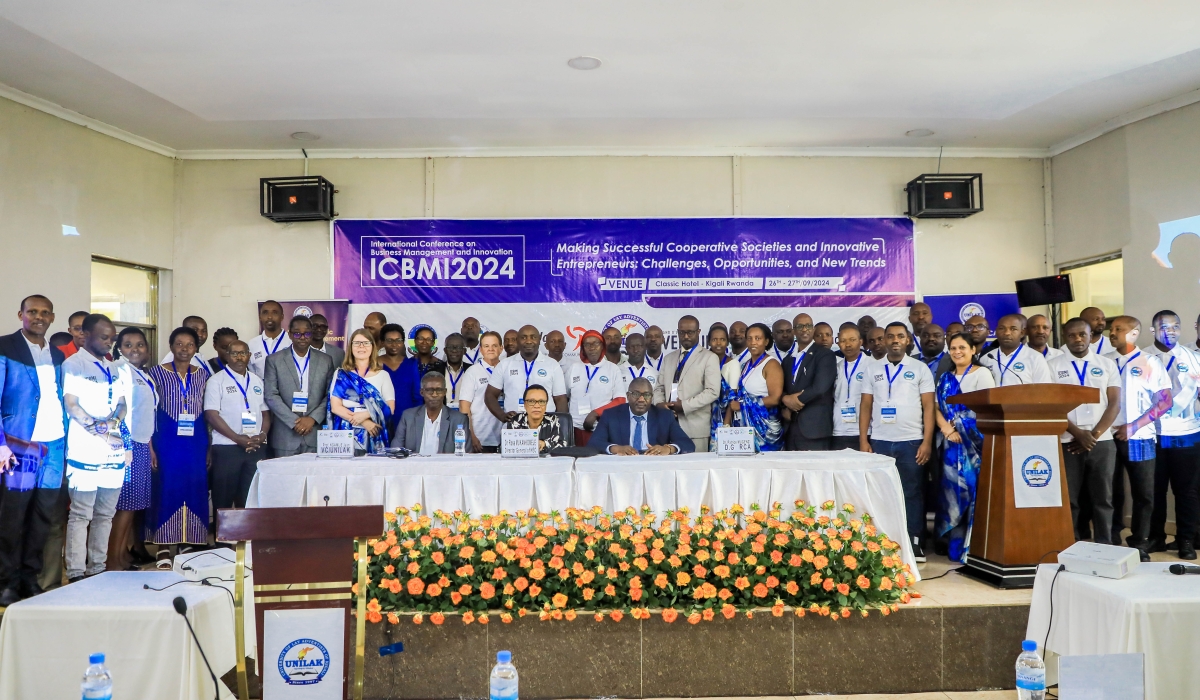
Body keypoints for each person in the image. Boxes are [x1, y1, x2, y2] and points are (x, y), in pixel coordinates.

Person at [0, 296, 67, 604]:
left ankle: (30, 579)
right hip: (19, 447)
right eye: (32, 312)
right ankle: (6, 583)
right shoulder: (5, 347)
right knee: (13, 517)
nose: (38, 317)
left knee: (43, 517)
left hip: (53, 447)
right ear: (21, 315)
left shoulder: (55, 353)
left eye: (44, 313)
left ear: (52, 317)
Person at [61, 314, 132, 583]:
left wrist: (114, 422)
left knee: (105, 513)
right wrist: (102, 433)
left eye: (112, 338)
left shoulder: (114, 368)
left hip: (112, 450)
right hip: (85, 451)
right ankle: (77, 571)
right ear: (86, 335)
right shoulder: (74, 364)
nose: (109, 343)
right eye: (104, 337)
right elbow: (72, 405)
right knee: (81, 514)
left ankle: (98, 567)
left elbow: (123, 403)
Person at [859, 322, 936, 561]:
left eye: (900, 336)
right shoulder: (873, 369)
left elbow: (928, 407)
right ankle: (882, 541)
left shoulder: (920, 368)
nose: (894, 340)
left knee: (912, 493)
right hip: (880, 442)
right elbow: (866, 405)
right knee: (881, 493)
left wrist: (927, 442)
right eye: (889, 336)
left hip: (911, 441)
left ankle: (914, 543)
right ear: (883, 340)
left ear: (908, 341)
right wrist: (864, 440)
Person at [1049, 318, 1121, 545]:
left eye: (1082, 334)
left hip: (1103, 441)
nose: (1077, 339)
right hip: (1068, 439)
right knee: (1069, 498)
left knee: (1103, 498)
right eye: (1072, 335)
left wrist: (1093, 435)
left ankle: (1105, 544)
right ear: (1065, 336)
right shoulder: (1052, 366)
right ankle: (1069, 543)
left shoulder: (1107, 364)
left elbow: (1115, 404)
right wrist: (1078, 433)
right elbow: (1052, 406)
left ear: (1091, 336)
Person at [1104, 316, 1171, 558]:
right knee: (1109, 491)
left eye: (1118, 329)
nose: (1112, 333)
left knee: (1143, 493)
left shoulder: (1149, 362)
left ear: (1133, 334)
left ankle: (1139, 542)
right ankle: (1110, 538)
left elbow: (1165, 401)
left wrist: (1133, 426)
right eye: (1111, 329)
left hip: (1139, 436)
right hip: (1107, 437)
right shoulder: (1105, 361)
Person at [146, 327, 212, 566]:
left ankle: (187, 541)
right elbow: (149, 412)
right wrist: (151, 447)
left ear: (196, 348)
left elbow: (209, 413)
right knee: (166, 488)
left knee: (194, 489)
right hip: (166, 439)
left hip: (195, 441)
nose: (185, 349)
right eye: (179, 344)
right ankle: (163, 547)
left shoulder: (203, 375)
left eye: (190, 345)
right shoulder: (156, 374)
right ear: (171, 346)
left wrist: (209, 447)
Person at [933, 332, 996, 562]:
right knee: (951, 494)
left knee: (972, 494)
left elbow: (987, 409)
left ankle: (972, 548)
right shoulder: (945, 378)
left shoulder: (983, 375)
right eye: (953, 348)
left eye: (962, 347)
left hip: (974, 446)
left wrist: (962, 428)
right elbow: (936, 408)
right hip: (950, 446)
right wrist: (949, 430)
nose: (957, 352)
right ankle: (954, 545)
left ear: (973, 350)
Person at [1144, 310, 1200, 559]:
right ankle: (1155, 537)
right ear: (1153, 329)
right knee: (1153, 489)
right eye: (1164, 326)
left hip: (1186, 433)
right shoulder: (1142, 357)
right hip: (1151, 434)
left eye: (1175, 326)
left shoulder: (1193, 357)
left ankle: (1185, 540)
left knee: (1186, 490)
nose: (1170, 331)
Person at [108, 327, 155, 572]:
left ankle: (122, 555)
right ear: (119, 348)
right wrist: (125, 445)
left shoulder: (140, 373)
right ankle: (112, 560)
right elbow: (117, 410)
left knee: (133, 505)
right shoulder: (119, 370)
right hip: (127, 445)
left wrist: (148, 447)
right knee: (124, 506)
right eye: (128, 345)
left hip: (140, 443)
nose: (135, 349)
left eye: (139, 345)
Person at [204, 339, 270, 514]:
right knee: (223, 496)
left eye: (243, 353)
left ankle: (245, 538)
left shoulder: (256, 381)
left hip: (255, 447)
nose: (239, 357)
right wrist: (237, 438)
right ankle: (223, 540)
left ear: (249, 356)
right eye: (234, 353)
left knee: (250, 496)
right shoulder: (216, 381)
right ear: (227, 356)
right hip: (227, 448)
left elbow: (265, 413)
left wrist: (262, 436)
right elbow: (211, 414)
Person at [264, 317, 334, 457]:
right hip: (285, 436)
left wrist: (312, 419)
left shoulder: (325, 360)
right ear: (290, 334)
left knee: (314, 478)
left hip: (314, 433)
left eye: (307, 333)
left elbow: (331, 395)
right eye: (297, 333)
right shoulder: (274, 360)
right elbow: (271, 395)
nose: (302, 337)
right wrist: (294, 422)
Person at [653, 316, 722, 452]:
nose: (685, 336)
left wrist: (684, 405)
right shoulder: (669, 358)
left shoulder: (709, 357)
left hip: (695, 428)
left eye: (690, 332)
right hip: (668, 425)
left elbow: (713, 391)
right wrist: (660, 404)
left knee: (696, 470)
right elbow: (659, 388)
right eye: (681, 332)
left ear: (698, 332)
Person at [330, 329, 395, 454]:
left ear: (372, 347)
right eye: (357, 343)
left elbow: (390, 408)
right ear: (350, 347)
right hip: (346, 435)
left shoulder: (383, 375)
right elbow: (335, 407)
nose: (361, 346)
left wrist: (365, 415)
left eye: (366, 343)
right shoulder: (340, 374)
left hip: (375, 433)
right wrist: (364, 422)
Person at [485, 325, 569, 422]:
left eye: (533, 337)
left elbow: (560, 400)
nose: (528, 341)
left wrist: (560, 427)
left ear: (539, 340)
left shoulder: (553, 365)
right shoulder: (505, 364)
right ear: (517, 340)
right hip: (514, 425)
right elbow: (490, 395)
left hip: (546, 424)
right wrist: (502, 416)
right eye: (523, 337)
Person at [592, 378, 694, 455]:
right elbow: (594, 443)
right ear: (628, 396)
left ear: (651, 398)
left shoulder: (665, 416)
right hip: (622, 467)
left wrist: (668, 449)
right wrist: (617, 449)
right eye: (636, 394)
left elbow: (687, 444)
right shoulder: (611, 415)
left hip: (654, 467)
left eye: (647, 395)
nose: (641, 399)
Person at [781, 313, 836, 451]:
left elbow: (820, 387)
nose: (804, 329)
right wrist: (784, 400)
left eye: (808, 326)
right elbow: (782, 388)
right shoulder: (788, 359)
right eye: (800, 326)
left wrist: (795, 401)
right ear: (793, 331)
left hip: (815, 429)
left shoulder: (825, 355)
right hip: (791, 428)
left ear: (812, 329)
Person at [727, 322, 783, 451]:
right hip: (744, 430)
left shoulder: (772, 364)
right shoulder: (745, 365)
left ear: (766, 341)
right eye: (750, 338)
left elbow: (775, 399)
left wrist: (742, 405)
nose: (753, 342)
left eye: (758, 338)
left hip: (766, 432)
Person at [391, 374, 472, 454]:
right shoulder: (408, 417)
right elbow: (396, 450)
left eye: (439, 390)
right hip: (414, 465)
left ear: (445, 392)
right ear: (422, 392)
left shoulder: (459, 420)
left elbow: (466, 455)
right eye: (430, 390)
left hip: (446, 466)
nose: (434, 394)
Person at [566, 330, 621, 445]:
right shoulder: (574, 368)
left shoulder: (612, 369)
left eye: (596, 343)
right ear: (583, 348)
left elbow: (620, 400)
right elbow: (564, 396)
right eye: (587, 344)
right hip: (575, 429)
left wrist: (596, 413)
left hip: (602, 428)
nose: (592, 347)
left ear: (602, 346)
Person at [459, 331, 504, 453]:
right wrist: (471, 436)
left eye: (494, 345)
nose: (490, 349)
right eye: (486, 346)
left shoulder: (507, 370)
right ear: (481, 350)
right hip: (481, 438)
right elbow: (464, 408)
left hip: (507, 437)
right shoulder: (472, 372)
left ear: (501, 348)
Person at [980, 314, 1052, 386]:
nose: (1007, 333)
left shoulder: (1036, 358)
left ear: (1022, 333)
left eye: (1013, 329)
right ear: (996, 331)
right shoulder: (986, 359)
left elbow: (1043, 390)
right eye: (1002, 328)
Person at [378, 324, 422, 435]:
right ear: (382, 342)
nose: (394, 344)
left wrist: (416, 419)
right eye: (389, 340)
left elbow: (417, 396)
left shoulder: (412, 364)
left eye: (398, 340)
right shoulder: (375, 363)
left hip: (407, 420)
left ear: (403, 342)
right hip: (380, 419)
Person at [831, 326, 868, 451]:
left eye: (852, 340)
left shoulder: (872, 365)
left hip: (865, 431)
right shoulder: (836, 367)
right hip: (838, 431)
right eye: (843, 341)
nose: (847, 344)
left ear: (861, 342)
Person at [504, 385, 567, 454]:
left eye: (541, 402)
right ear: (524, 404)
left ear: (546, 405)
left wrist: (544, 444)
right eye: (531, 401)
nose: (537, 406)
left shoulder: (553, 420)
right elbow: (508, 448)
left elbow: (562, 446)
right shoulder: (515, 422)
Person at [706, 325, 740, 444]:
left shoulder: (733, 364)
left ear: (727, 342)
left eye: (722, 339)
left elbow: (733, 398)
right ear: (709, 341)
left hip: (723, 419)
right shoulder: (702, 361)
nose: (718, 343)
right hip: (703, 416)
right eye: (714, 339)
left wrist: (726, 426)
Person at [250, 301, 290, 378]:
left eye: (274, 313)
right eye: (265, 313)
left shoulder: (291, 342)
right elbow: (251, 373)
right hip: (261, 389)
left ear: (282, 317)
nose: (269, 317)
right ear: (260, 317)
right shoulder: (252, 344)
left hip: (286, 389)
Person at [442, 333, 471, 410]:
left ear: (464, 351)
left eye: (458, 347)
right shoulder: (436, 370)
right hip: (443, 415)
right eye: (450, 347)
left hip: (466, 413)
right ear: (445, 350)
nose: (454, 350)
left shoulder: (472, 370)